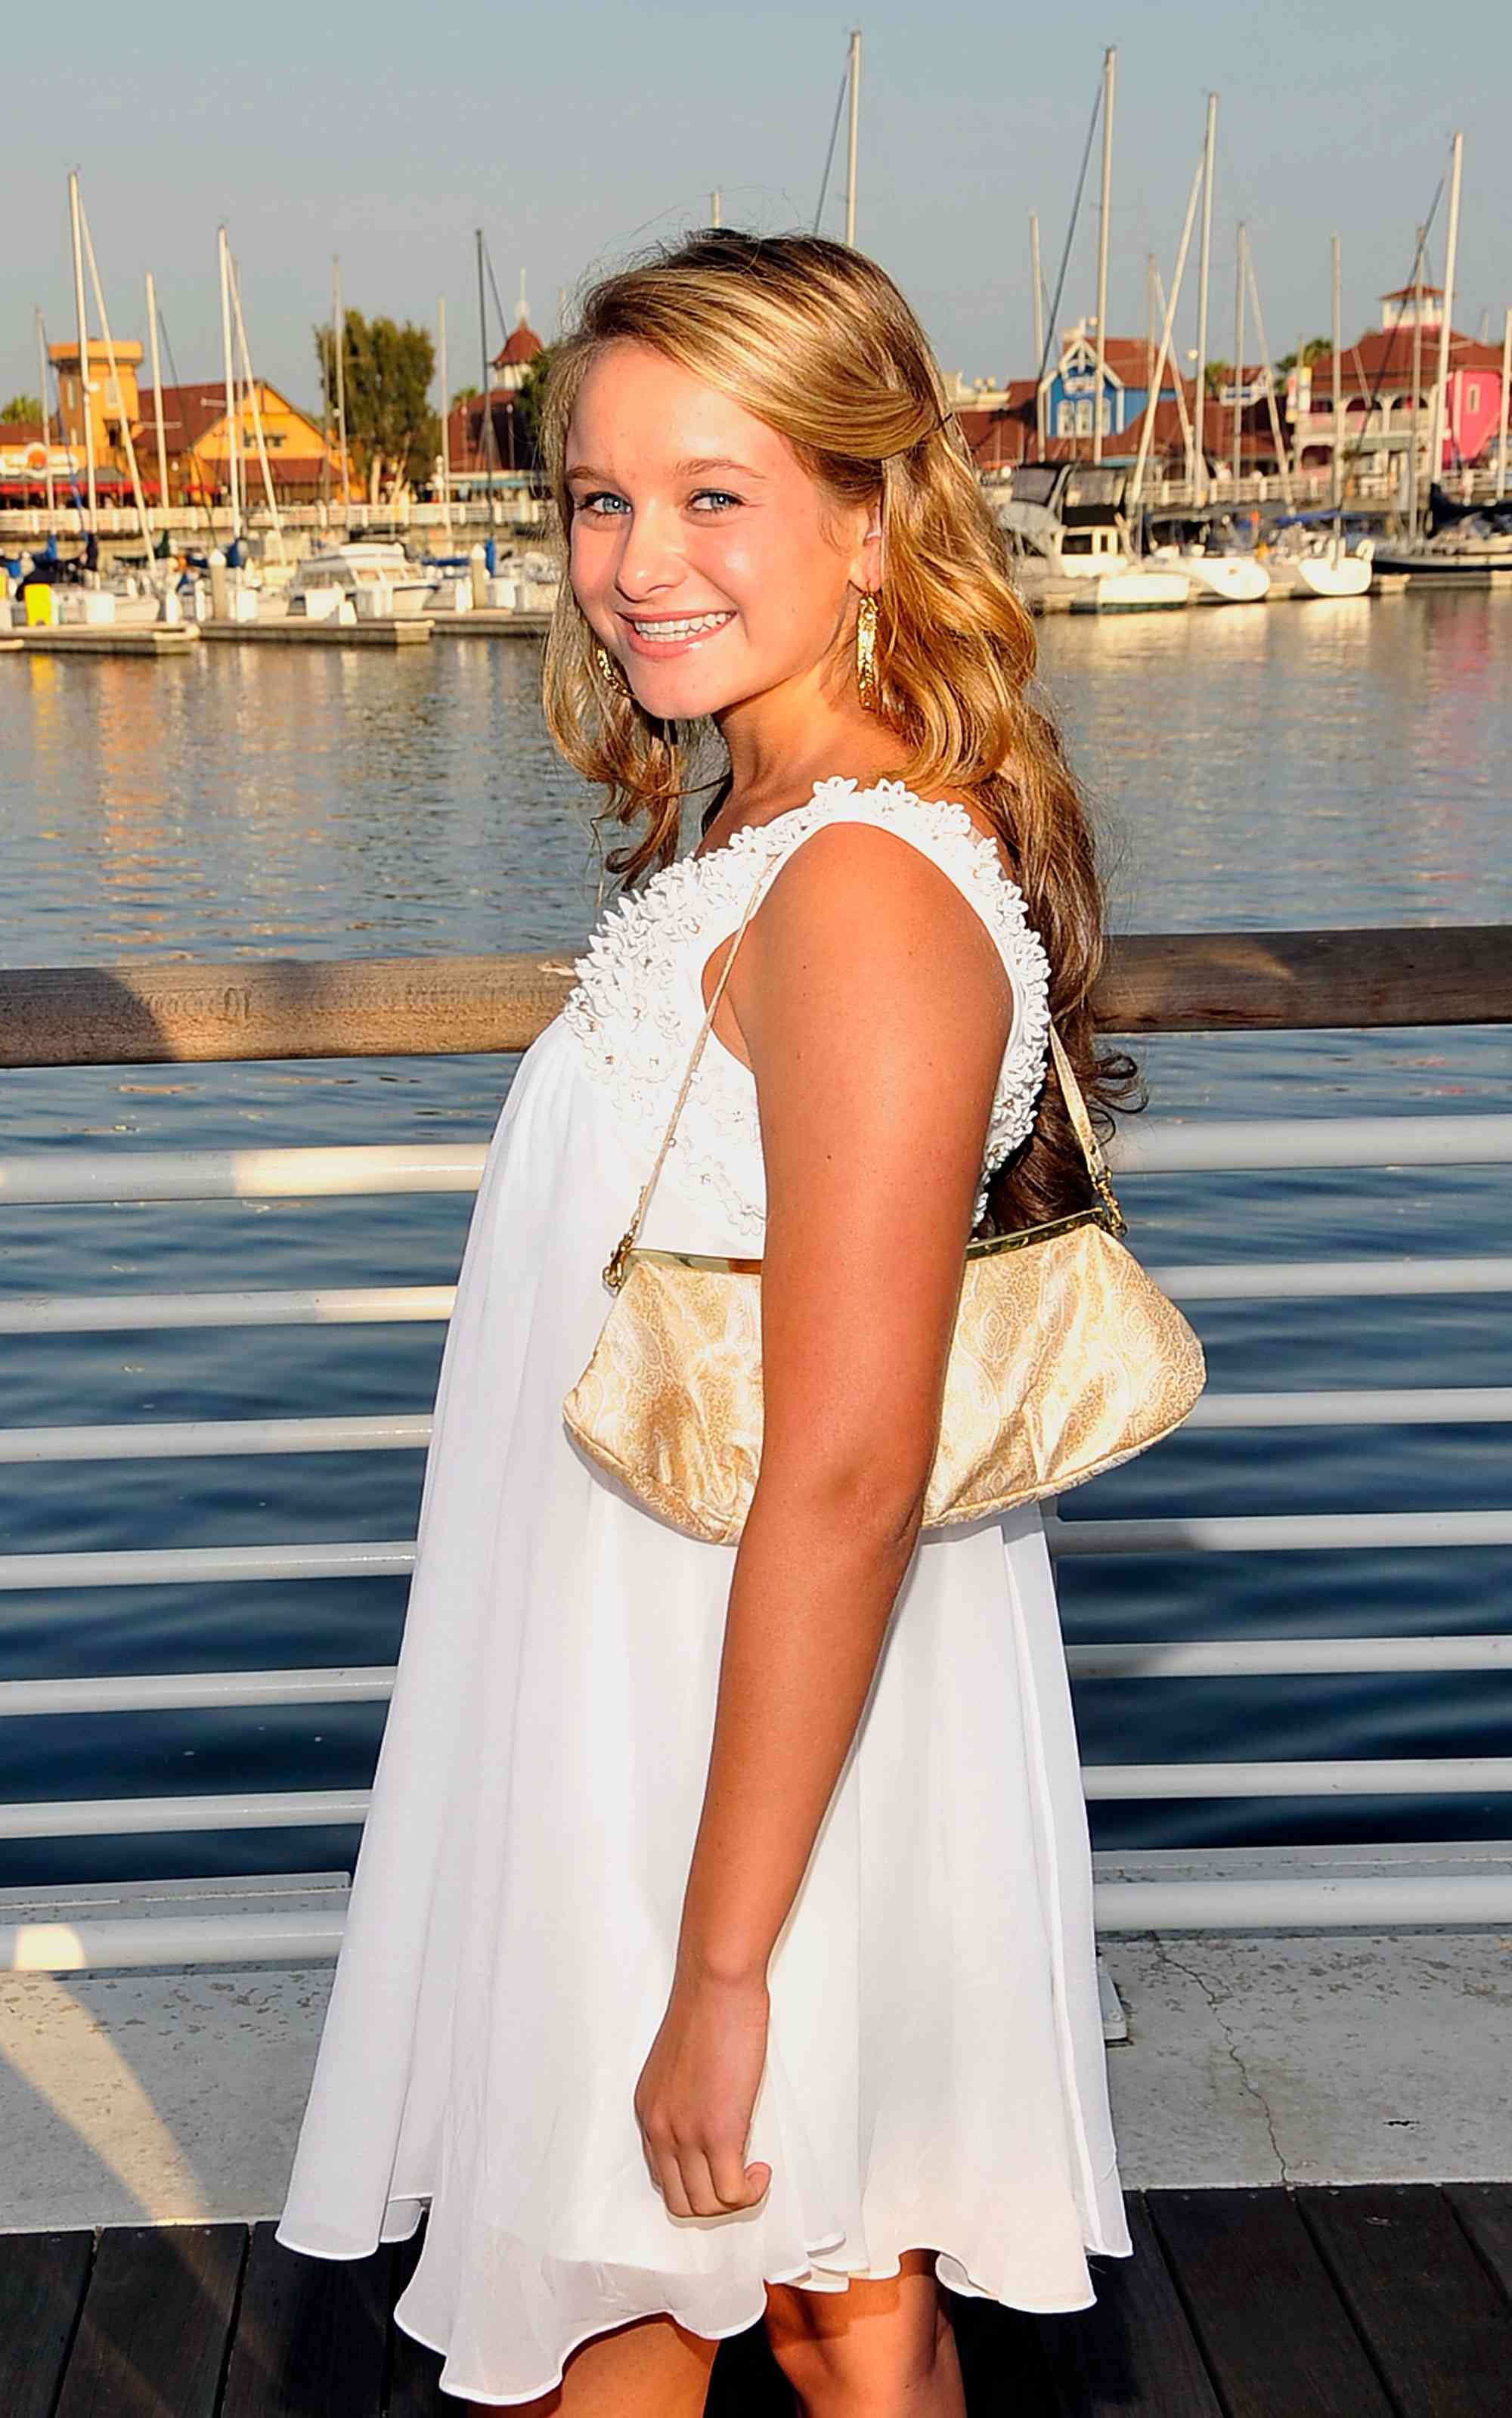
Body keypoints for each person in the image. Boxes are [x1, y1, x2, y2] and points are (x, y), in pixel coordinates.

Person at [275, 228, 1137, 2414]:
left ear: (873, 518)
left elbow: (851, 1465)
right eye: (599, 496)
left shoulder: (856, 890)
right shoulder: (755, 820)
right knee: (770, 2315)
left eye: (714, 493)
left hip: (748, 1733)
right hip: (661, 1679)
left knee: (800, 2313)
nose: (638, 560)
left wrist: (723, 1958)